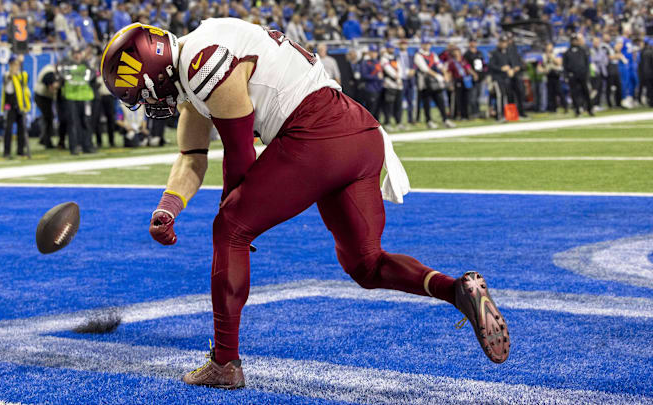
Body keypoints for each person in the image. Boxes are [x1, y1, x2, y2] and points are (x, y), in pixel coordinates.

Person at [101, 20, 510, 389]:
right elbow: (191, 156)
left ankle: (224, 363)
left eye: (140, 92)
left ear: (153, 70)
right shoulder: (198, 66)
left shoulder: (202, 59)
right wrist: (168, 207)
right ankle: (456, 289)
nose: (146, 102)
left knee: (229, 227)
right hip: (357, 132)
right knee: (365, 265)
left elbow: (241, 152)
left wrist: (236, 213)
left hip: (316, 132)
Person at [59, 45, 95, 155]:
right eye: (75, 53)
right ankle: (74, 147)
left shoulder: (86, 65)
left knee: (86, 123)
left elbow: (93, 76)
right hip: (71, 97)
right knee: (73, 123)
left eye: (79, 53)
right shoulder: (67, 65)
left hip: (85, 97)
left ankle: (87, 146)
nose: (77, 56)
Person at [414, 37, 454, 129]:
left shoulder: (432, 54)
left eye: (428, 44)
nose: (427, 45)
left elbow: (439, 65)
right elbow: (424, 69)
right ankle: (429, 121)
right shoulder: (418, 55)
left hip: (434, 82)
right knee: (426, 102)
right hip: (425, 82)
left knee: (440, 101)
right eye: (425, 44)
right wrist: (437, 76)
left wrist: (445, 73)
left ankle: (445, 119)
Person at [1, 57, 32, 158]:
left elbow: (25, 80)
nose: (16, 66)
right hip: (10, 105)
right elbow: (7, 81)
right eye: (14, 64)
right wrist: (12, 73)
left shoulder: (22, 74)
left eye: (17, 64)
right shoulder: (7, 74)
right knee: (8, 129)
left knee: (22, 129)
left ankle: (20, 150)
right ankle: (7, 151)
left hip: (20, 105)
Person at [563, 34, 594, 116]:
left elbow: (587, 63)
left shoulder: (583, 51)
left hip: (582, 75)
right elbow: (565, 66)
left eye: (576, 40)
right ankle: (577, 110)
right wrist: (566, 75)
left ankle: (590, 109)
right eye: (573, 40)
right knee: (574, 93)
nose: (575, 42)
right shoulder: (567, 53)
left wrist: (587, 73)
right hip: (572, 75)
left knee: (586, 92)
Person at [34, 63, 61, 149]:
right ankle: (46, 141)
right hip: (42, 97)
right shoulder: (49, 71)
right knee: (48, 118)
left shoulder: (49, 69)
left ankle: (44, 138)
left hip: (43, 97)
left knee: (48, 118)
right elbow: (52, 86)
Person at [447, 47, 477, 120]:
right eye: (455, 52)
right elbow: (449, 73)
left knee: (466, 99)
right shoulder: (452, 62)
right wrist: (450, 83)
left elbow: (468, 68)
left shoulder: (463, 61)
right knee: (458, 99)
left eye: (458, 51)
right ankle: (456, 115)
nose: (457, 53)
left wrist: (474, 74)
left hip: (465, 81)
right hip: (457, 81)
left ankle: (466, 115)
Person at [505, 34, 529, 118]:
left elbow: (520, 63)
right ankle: (512, 114)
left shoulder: (515, 50)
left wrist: (519, 67)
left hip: (517, 75)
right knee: (510, 95)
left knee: (520, 95)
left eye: (510, 39)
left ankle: (521, 112)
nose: (509, 41)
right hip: (508, 76)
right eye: (508, 39)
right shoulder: (504, 51)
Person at [381, 42, 404, 129]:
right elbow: (388, 70)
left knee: (398, 104)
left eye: (393, 48)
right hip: (389, 84)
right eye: (390, 48)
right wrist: (397, 78)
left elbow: (400, 68)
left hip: (398, 83)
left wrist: (399, 78)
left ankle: (399, 122)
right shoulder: (384, 58)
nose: (392, 50)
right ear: (387, 48)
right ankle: (387, 122)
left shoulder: (395, 57)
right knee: (389, 105)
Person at [488, 37, 511, 121]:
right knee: (499, 96)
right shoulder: (494, 53)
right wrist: (501, 68)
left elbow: (508, 64)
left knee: (504, 96)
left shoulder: (506, 53)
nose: (504, 44)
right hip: (497, 78)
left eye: (505, 42)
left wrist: (510, 69)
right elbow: (491, 65)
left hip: (504, 78)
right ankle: (499, 115)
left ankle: (504, 114)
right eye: (503, 42)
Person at [540, 43, 567, 113]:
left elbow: (559, 63)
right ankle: (553, 109)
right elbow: (540, 65)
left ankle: (565, 106)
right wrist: (543, 70)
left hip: (556, 75)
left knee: (559, 92)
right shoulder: (543, 56)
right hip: (548, 75)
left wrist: (551, 57)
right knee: (551, 93)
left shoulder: (556, 54)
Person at [463, 39, 486, 118]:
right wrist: (473, 74)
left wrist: (483, 75)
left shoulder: (479, 53)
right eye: (472, 42)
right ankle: (473, 113)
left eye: (474, 42)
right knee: (472, 96)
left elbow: (483, 64)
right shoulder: (467, 54)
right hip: (471, 78)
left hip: (480, 77)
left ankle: (478, 112)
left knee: (478, 96)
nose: (473, 43)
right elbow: (466, 66)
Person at [640, 38, 653, 107]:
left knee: (648, 88)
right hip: (651, 73)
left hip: (644, 73)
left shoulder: (642, 52)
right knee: (651, 89)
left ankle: (650, 102)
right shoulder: (650, 52)